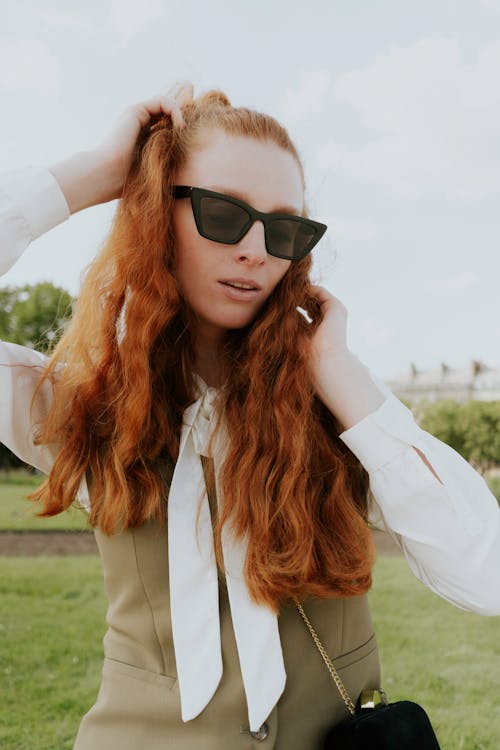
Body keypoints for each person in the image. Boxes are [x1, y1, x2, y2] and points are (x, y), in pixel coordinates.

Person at [1, 81, 499, 750]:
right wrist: (92, 172)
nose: (257, 250)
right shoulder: (82, 403)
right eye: (225, 215)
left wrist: (342, 379)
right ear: (156, 214)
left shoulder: (340, 407)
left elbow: (486, 575)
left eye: (284, 228)